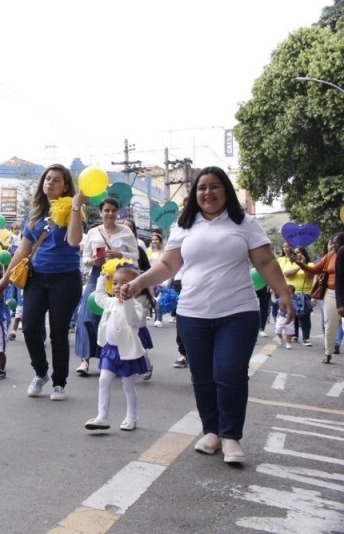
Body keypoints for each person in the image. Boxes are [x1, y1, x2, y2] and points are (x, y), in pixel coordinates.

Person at [121, 166, 293, 464]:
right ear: (195, 194)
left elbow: (264, 261)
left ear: (225, 190)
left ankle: (231, 437)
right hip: (192, 313)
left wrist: (284, 293)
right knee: (202, 377)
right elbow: (168, 266)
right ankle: (211, 431)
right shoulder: (184, 226)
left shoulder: (245, 223)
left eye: (215, 186)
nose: (208, 192)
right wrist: (138, 283)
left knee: (229, 373)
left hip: (237, 312)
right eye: (202, 188)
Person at [0, 163, 84, 401]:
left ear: (65, 186)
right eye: (48, 179)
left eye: (56, 180)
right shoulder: (35, 212)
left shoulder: (71, 209)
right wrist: (6, 277)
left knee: (58, 332)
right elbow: (23, 250)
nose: (50, 183)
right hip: (36, 278)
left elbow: (75, 240)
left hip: (65, 280)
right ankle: (40, 372)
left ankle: (59, 383)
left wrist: (75, 208)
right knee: (30, 326)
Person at [74, 198, 138, 376]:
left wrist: (120, 254)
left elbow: (135, 255)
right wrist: (93, 261)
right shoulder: (93, 232)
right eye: (107, 210)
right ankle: (84, 360)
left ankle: (113, 358)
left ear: (118, 213)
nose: (110, 213)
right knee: (87, 316)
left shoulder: (126, 231)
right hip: (98, 276)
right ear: (101, 212)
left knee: (116, 318)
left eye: (113, 210)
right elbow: (85, 257)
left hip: (120, 279)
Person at [85, 266, 149, 431]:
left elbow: (132, 321)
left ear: (135, 287)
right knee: (103, 380)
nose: (118, 287)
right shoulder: (111, 302)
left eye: (124, 283)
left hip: (127, 352)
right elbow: (98, 297)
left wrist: (127, 300)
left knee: (128, 386)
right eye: (115, 283)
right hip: (110, 350)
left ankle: (131, 418)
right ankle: (102, 417)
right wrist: (102, 279)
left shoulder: (136, 306)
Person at [295, 233, 343, 364]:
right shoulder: (330, 256)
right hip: (331, 293)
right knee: (329, 325)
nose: (332, 245)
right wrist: (300, 264)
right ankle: (328, 352)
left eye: (336, 242)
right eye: (332, 242)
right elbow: (316, 269)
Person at [283, 246, 313, 346]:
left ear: (304, 253)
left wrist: (303, 264)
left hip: (305, 294)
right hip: (291, 293)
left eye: (299, 252)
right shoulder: (290, 263)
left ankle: (306, 338)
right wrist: (299, 265)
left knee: (305, 316)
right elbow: (287, 274)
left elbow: (310, 276)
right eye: (295, 253)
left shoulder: (310, 264)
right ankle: (294, 335)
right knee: (293, 315)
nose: (297, 255)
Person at [274, 285, 299, 350]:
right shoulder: (281, 299)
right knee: (277, 330)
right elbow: (274, 301)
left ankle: (288, 343)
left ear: (293, 294)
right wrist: (272, 294)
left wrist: (291, 310)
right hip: (281, 317)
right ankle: (280, 337)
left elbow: (296, 309)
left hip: (290, 317)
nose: (288, 295)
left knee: (289, 331)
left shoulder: (294, 300)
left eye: (290, 293)